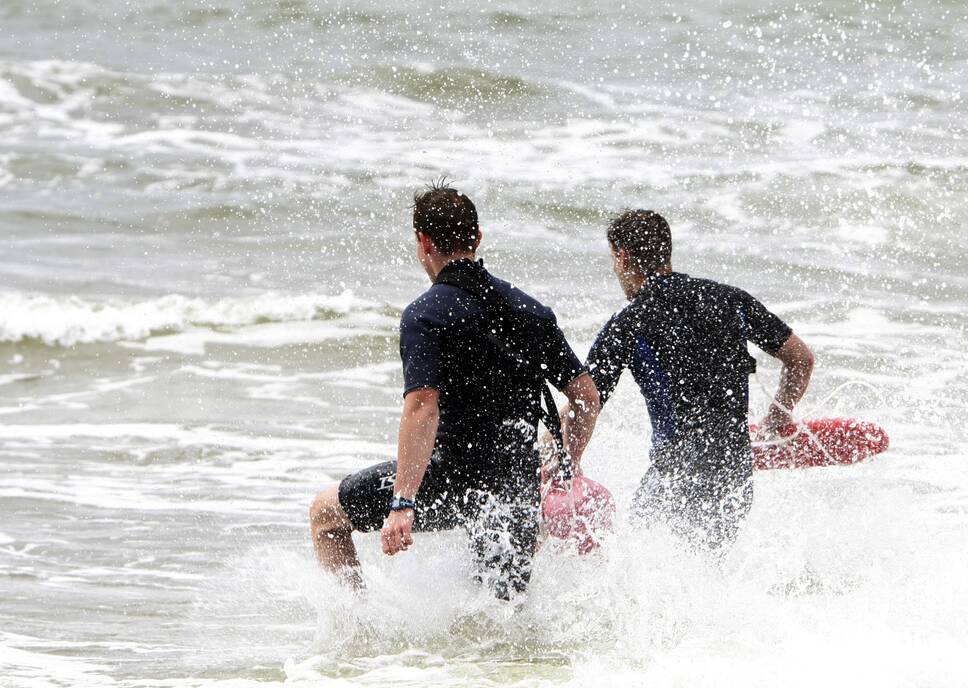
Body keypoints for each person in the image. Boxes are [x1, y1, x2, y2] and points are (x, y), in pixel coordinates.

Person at [309, 184, 599, 599]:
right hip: (515, 486)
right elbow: (586, 396)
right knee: (502, 618)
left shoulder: (426, 315)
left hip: (451, 478)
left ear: (424, 242)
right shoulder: (530, 310)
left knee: (325, 516)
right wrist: (566, 462)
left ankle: (360, 635)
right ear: (477, 238)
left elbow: (422, 408)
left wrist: (402, 503)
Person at [583, 210, 814, 551]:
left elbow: (585, 402)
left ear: (622, 257)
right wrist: (778, 417)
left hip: (674, 477)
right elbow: (800, 359)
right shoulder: (730, 300)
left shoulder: (628, 322)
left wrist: (555, 456)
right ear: (666, 253)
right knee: (705, 578)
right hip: (733, 477)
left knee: (643, 577)